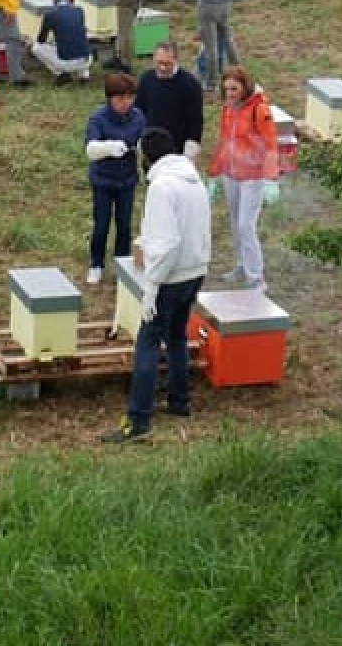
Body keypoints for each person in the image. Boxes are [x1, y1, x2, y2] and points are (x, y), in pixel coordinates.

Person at [104, 127, 211, 443]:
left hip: (170, 277)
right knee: (177, 336)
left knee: (147, 343)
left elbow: (166, 244)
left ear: (146, 158)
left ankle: (138, 421)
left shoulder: (162, 188)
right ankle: (180, 402)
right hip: (195, 271)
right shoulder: (194, 181)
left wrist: (151, 286)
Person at [208, 66, 279, 291]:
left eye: (234, 89)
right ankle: (241, 264)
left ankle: (256, 277)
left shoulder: (259, 109)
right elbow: (224, 142)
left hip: (253, 176)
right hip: (231, 173)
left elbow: (270, 145)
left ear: (245, 87)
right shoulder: (228, 108)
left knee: (246, 225)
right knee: (234, 223)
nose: (230, 93)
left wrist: (270, 179)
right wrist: (214, 174)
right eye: (226, 89)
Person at [84, 72, 147, 286]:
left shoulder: (138, 116)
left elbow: (142, 140)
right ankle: (96, 264)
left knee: (124, 224)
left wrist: (141, 148)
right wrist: (110, 147)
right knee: (101, 224)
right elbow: (91, 149)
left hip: (127, 180)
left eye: (130, 98)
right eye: (120, 98)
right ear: (110, 98)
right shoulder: (98, 117)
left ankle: (122, 265)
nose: (125, 103)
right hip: (102, 181)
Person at [136, 42, 205, 160]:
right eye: (159, 63)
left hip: (178, 149)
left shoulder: (190, 84)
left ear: (176, 60)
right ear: (153, 59)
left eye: (167, 64)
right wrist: (139, 137)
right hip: (151, 146)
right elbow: (139, 110)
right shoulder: (146, 79)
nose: (162, 67)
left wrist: (192, 145)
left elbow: (196, 119)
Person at [34, 0, 93, 85]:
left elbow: (41, 39)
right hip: (87, 60)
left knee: (36, 48)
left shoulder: (50, 15)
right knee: (78, 41)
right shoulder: (79, 10)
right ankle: (84, 76)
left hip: (66, 63)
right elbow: (78, 31)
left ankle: (61, 74)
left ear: (53, 0)